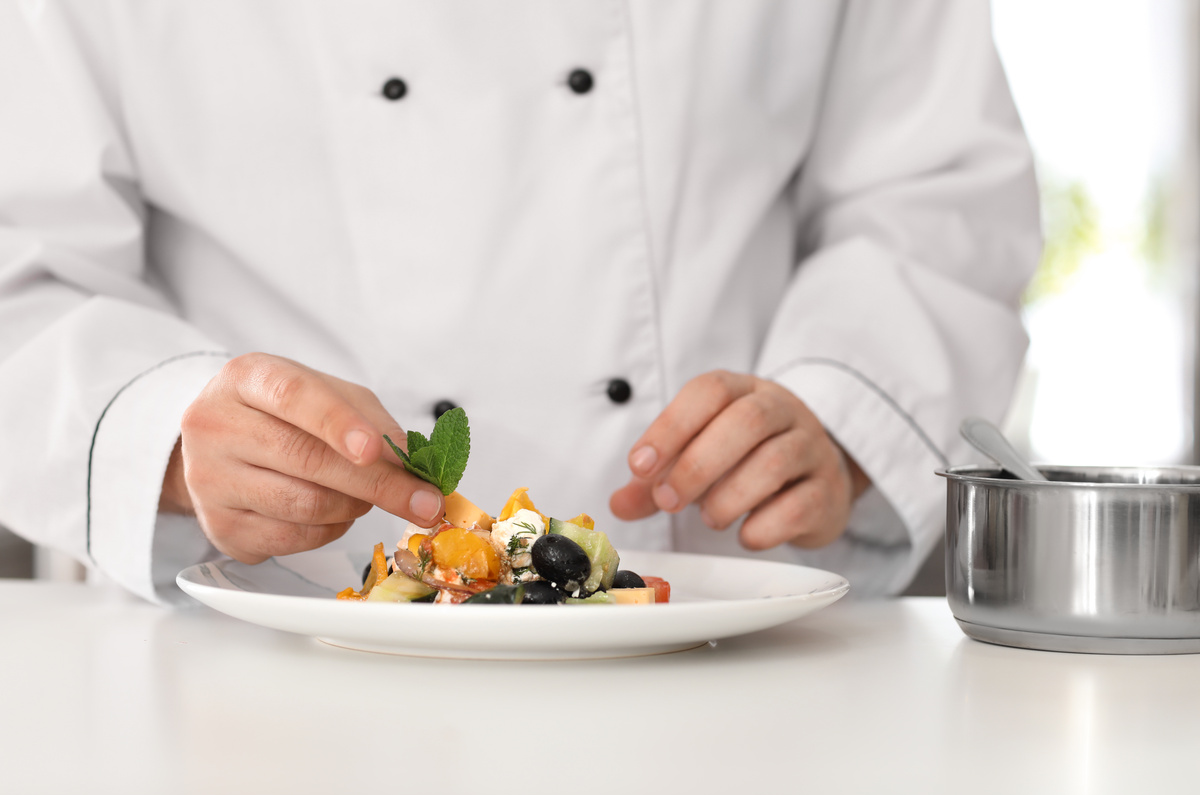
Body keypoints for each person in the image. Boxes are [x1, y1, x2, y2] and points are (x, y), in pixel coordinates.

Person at [0, 0, 1039, 603]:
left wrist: (843, 410)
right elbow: (19, 265)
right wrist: (172, 442)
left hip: (718, 625)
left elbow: (931, 190)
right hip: (274, 637)